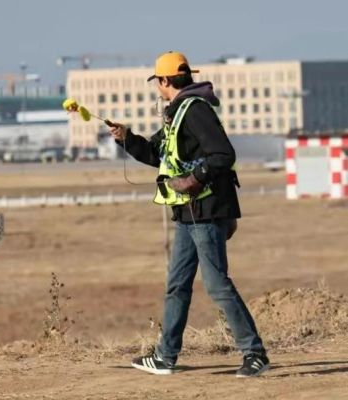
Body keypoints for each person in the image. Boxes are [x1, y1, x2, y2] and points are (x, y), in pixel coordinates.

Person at [109, 51, 269, 378]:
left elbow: (223, 154)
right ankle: (165, 357)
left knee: (216, 284)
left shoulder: (194, 111)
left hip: (205, 212)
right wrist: (127, 139)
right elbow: (157, 154)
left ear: (164, 81)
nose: (157, 87)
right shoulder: (178, 112)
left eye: (158, 81)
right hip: (188, 214)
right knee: (177, 284)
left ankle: (255, 354)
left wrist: (195, 179)